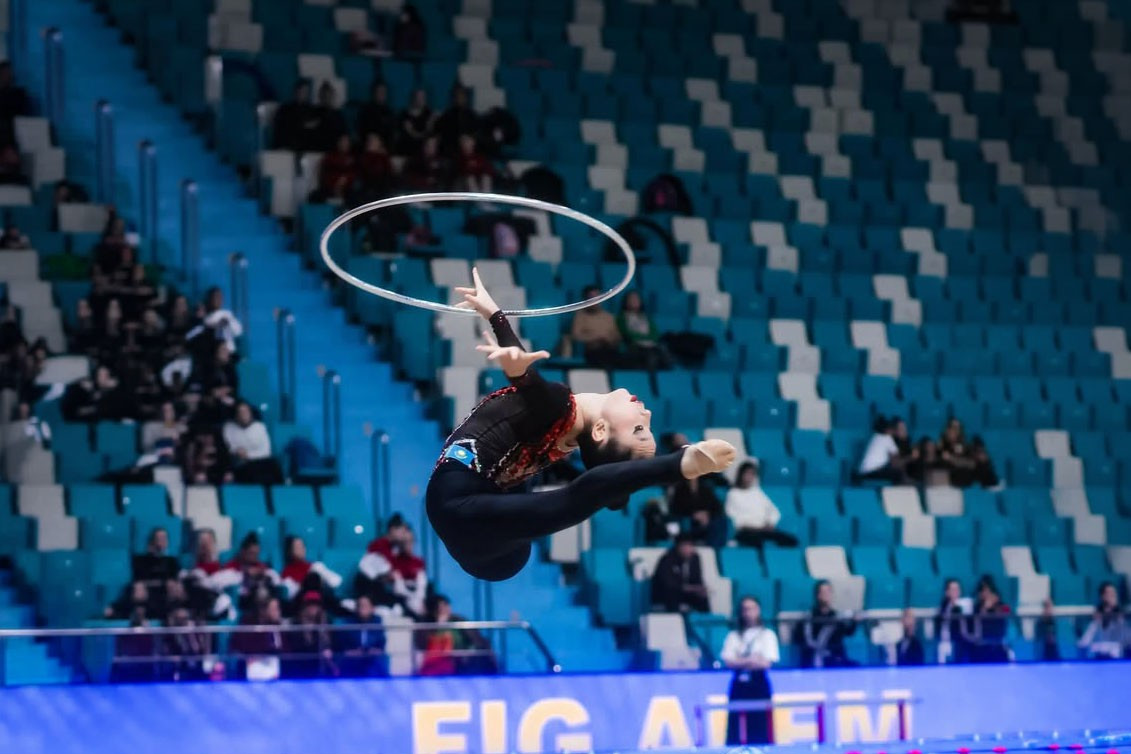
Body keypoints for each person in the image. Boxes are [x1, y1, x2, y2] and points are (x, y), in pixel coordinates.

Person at [426, 269, 736, 582]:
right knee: (566, 506)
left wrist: (499, 322)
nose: (648, 415)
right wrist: (500, 328)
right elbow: (614, 495)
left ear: (600, 431)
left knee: (574, 498)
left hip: (461, 506)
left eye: (638, 429)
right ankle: (678, 464)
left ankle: (679, 464)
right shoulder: (570, 434)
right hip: (487, 528)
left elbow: (534, 387)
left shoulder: (561, 406)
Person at [721, 596, 779, 746]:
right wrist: (750, 660)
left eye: (752, 608)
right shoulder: (733, 636)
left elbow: (766, 663)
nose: (748, 613)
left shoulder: (767, 635)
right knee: (734, 726)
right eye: (745, 609)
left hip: (758, 683)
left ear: (758, 610)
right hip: (739, 684)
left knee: (761, 725)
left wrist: (740, 660)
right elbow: (729, 661)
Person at [664, 432, 728, 549]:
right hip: (690, 520)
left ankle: (715, 550)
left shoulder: (705, 488)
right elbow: (676, 509)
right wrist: (694, 515)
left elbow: (716, 507)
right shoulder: (680, 490)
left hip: (707, 521)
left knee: (720, 522)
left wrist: (707, 514)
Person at [415, 593, 496, 676]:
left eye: (446, 605)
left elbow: (477, 640)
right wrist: (441, 625)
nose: (445, 609)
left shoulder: (459, 620)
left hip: (465, 659)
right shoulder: (426, 625)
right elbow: (424, 645)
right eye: (440, 607)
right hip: (439, 662)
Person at [726, 460, 799, 548]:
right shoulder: (733, 494)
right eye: (747, 474)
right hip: (746, 531)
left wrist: (770, 523)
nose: (749, 477)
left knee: (791, 540)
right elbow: (733, 517)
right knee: (757, 541)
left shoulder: (757, 492)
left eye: (752, 474)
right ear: (741, 474)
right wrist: (753, 527)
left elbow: (773, 510)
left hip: (764, 529)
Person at [796, 581, 857, 668]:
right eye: (823, 592)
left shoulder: (836, 617)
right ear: (818, 595)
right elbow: (800, 639)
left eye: (829, 592)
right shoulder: (808, 618)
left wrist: (854, 621)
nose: (826, 595)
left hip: (836, 661)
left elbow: (848, 632)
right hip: (814, 660)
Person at [222, 401, 283, 484]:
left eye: (246, 411)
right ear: (236, 415)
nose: (243, 414)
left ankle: (282, 489)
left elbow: (266, 451)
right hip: (239, 463)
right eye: (240, 412)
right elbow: (228, 447)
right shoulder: (228, 427)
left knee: (273, 464)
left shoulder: (260, 427)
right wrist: (236, 451)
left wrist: (248, 455)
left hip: (258, 461)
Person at [651, 533, 710, 613]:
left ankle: (705, 618)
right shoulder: (667, 559)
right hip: (667, 592)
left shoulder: (695, 558)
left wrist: (700, 589)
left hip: (686, 591)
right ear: (678, 547)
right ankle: (674, 618)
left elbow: (697, 578)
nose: (688, 549)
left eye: (690, 546)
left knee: (702, 597)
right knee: (672, 595)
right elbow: (668, 584)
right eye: (685, 546)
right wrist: (690, 588)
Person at [567, 285, 623, 368]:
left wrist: (609, 339)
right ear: (586, 299)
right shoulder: (580, 316)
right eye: (592, 297)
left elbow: (617, 335)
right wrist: (596, 337)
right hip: (591, 351)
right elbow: (575, 336)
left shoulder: (609, 317)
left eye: (598, 297)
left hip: (610, 350)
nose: (596, 300)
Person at [616, 290, 670, 369]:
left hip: (650, 345)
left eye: (636, 299)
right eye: (631, 299)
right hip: (633, 346)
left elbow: (654, 334)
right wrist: (643, 338)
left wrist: (645, 338)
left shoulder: (646, 317)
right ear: (626, 302)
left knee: (660, 350)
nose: (634, 301)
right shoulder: (621, 317)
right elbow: (627, 334)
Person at [338, 594, 389, 677]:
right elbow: (344, 646)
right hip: (353, 657)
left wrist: (371, 651)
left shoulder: (377, 622)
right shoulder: (348, 622)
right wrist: (356, 652)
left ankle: (383, 683)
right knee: (347, 662)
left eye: (365, 605)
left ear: (372, 608)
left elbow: (381, 644)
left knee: (379, 661)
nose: (362, 608)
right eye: (360, 605)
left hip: (372, 657)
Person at [966, 576, 1011, 664]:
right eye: (983, 591)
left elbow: (1008, 612)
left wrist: (997, 605)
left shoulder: (1000, 605)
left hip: (997, 645)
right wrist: (985, 608)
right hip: (981, 646)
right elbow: (976, 624)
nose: (986, 593)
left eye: (988, 590)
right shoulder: (976, 607)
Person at [1078, 582, 1125, 660]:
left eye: (1114, 593)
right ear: (1103, 596)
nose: (1112, 595)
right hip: (1097, 653)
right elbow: (1084, 642)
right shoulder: (1096, 617)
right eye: (1109, 593)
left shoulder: (1120, 616)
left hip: (1116, 655)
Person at [856, 416, 907, 483]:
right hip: (868, 473)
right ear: (894, 429)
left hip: (867, 472)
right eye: (902, 429)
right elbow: (895, 464)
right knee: (899, 473)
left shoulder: (879, 436)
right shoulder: (886, 438)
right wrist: (911, 457)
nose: (904, 431)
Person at [935, 577, 972, 663]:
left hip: (960, 643)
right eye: (953, 589)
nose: (956, 592)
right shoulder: (943, 608)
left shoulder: (965, 605)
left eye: (957, 589)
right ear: (947, 592)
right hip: (944, 643)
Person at [272, 80, 315, 152]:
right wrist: (303, 125)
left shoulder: (311, 110)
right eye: (301, 91)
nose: (303, 94)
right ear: (296, 91)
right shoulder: (285, 109)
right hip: (288, 145)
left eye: (306, 92)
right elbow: (282, 128)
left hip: (307, 147)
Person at [436, 85, 479, 156]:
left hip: (468, 151)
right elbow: (441, 134)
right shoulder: (447, 116)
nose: (460, 99)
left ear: (466, 98)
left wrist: (467, 139)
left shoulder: (472, 116)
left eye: (462, 96)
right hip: (451, 151)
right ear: (454, 98)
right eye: (457, 96)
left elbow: (476, 134)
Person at [356, 81, 398, 145]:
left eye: (384, 92)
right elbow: (361, 130)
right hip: (369, 145)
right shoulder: (366, 111)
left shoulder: (389, 112)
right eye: (379, 92)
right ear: (374, 93)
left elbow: (392, 132)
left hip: (385, 146)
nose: (382, 94)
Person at [313, 81, 348, 152]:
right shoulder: (313, 113)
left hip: (334, 151)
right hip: (316, 150)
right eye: (324, 95)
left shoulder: (338, 115)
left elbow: (343, 135)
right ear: (320, 96)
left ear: (332, 96)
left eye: (329, 95)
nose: (327, 98)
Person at [398, 88, 435, 156]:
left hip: (424, 154)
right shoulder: (404, 115)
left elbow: (429, 136)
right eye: (418, 97)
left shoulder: (429, 115)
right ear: (413, 98)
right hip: (407, 152)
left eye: (423, 97)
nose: (420, 99)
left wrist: (412, 132)